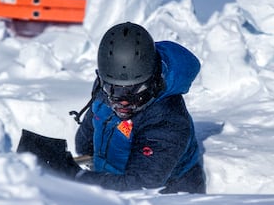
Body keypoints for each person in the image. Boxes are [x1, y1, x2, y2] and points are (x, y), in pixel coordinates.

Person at [69, 22, 206, 194]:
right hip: (111, 185)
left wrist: (74, 177)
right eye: (114, 89)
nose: (124, 101)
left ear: (153, 81)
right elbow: (90, 132)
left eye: (136, 91)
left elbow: (142, 185)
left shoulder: (168, 120)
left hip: (166, 203)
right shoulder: (107, 87)